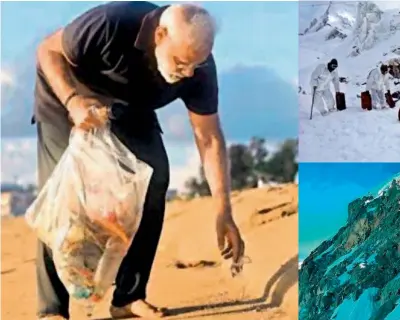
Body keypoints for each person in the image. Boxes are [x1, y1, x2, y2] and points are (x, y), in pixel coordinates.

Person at [32, 2, 245, 319]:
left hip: (129, 105)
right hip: (66, 96)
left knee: (155, 177)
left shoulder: (198, 68)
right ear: (160, 34)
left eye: (193, 67)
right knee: (61, 194)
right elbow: (48, 50)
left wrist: (223, 210)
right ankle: (52, 309)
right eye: (180, 62)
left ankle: (128, 297)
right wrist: (74, 101)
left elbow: (209, 137)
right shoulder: (110, 23)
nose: (185, 74)